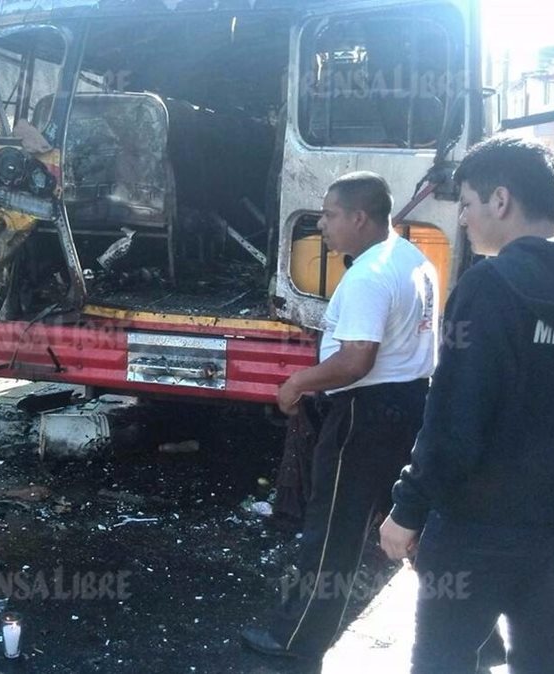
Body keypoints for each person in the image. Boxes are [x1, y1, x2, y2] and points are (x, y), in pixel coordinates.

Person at [380, 135, 554, 672]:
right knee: (540, 661)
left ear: (500, 200)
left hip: (477, 528)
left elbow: (455, 416)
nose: (463, 220)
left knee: (443, 661)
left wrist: (408, 507)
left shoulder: (488, 286)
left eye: (466, 203)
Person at [241, 171, 439, 661]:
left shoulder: (370, 275)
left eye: (329, 215)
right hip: (411, 404)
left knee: (333, 529)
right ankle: (474, 625)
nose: (322, 225)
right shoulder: (414, 260)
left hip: (365, 415)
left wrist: (296, 384)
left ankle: (297, 638)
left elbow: (356, 359)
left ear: (359, 216)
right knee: (414, 518)